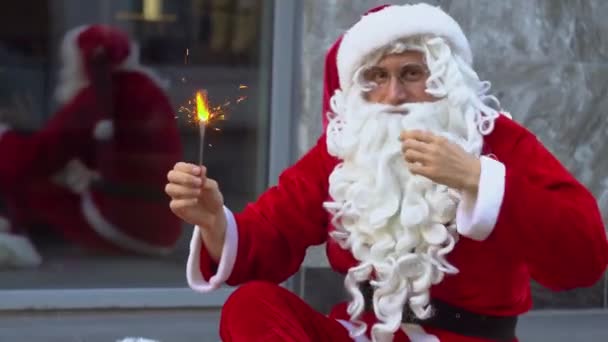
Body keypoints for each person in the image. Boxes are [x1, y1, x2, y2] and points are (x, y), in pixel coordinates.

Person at [165, 3, 608, 342]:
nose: (393, 94)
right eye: (376, 76)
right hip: (363, 332)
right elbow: (272, 232)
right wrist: (216, 223)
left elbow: (583, 258)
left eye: (411, 73)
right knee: (252, 307)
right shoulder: (348, 147)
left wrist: (477, 179)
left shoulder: (497, 141)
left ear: (445, 78)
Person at [0, 25, 183, 268]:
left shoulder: (100, 94)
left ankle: (11, 240)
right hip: (163, 225)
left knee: (29, 186)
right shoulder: (144, 86)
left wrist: (4, 136)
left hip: (124, 223)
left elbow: (36, 158)